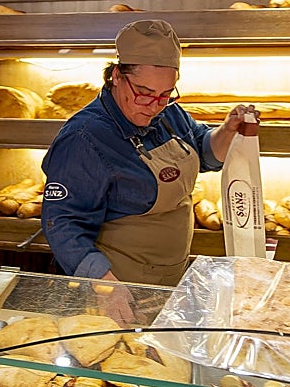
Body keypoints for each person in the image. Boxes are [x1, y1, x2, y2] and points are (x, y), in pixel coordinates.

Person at [40, 19, 257, 298]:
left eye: (165, 94)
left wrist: (227, 130)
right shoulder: (84, 138)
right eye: (144, 93)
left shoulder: (169, 113)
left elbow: (203, 153)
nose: (154, 106)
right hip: (117, 290)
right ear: (117, 76)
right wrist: (106, 286)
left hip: (167, 280)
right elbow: (63, 223)